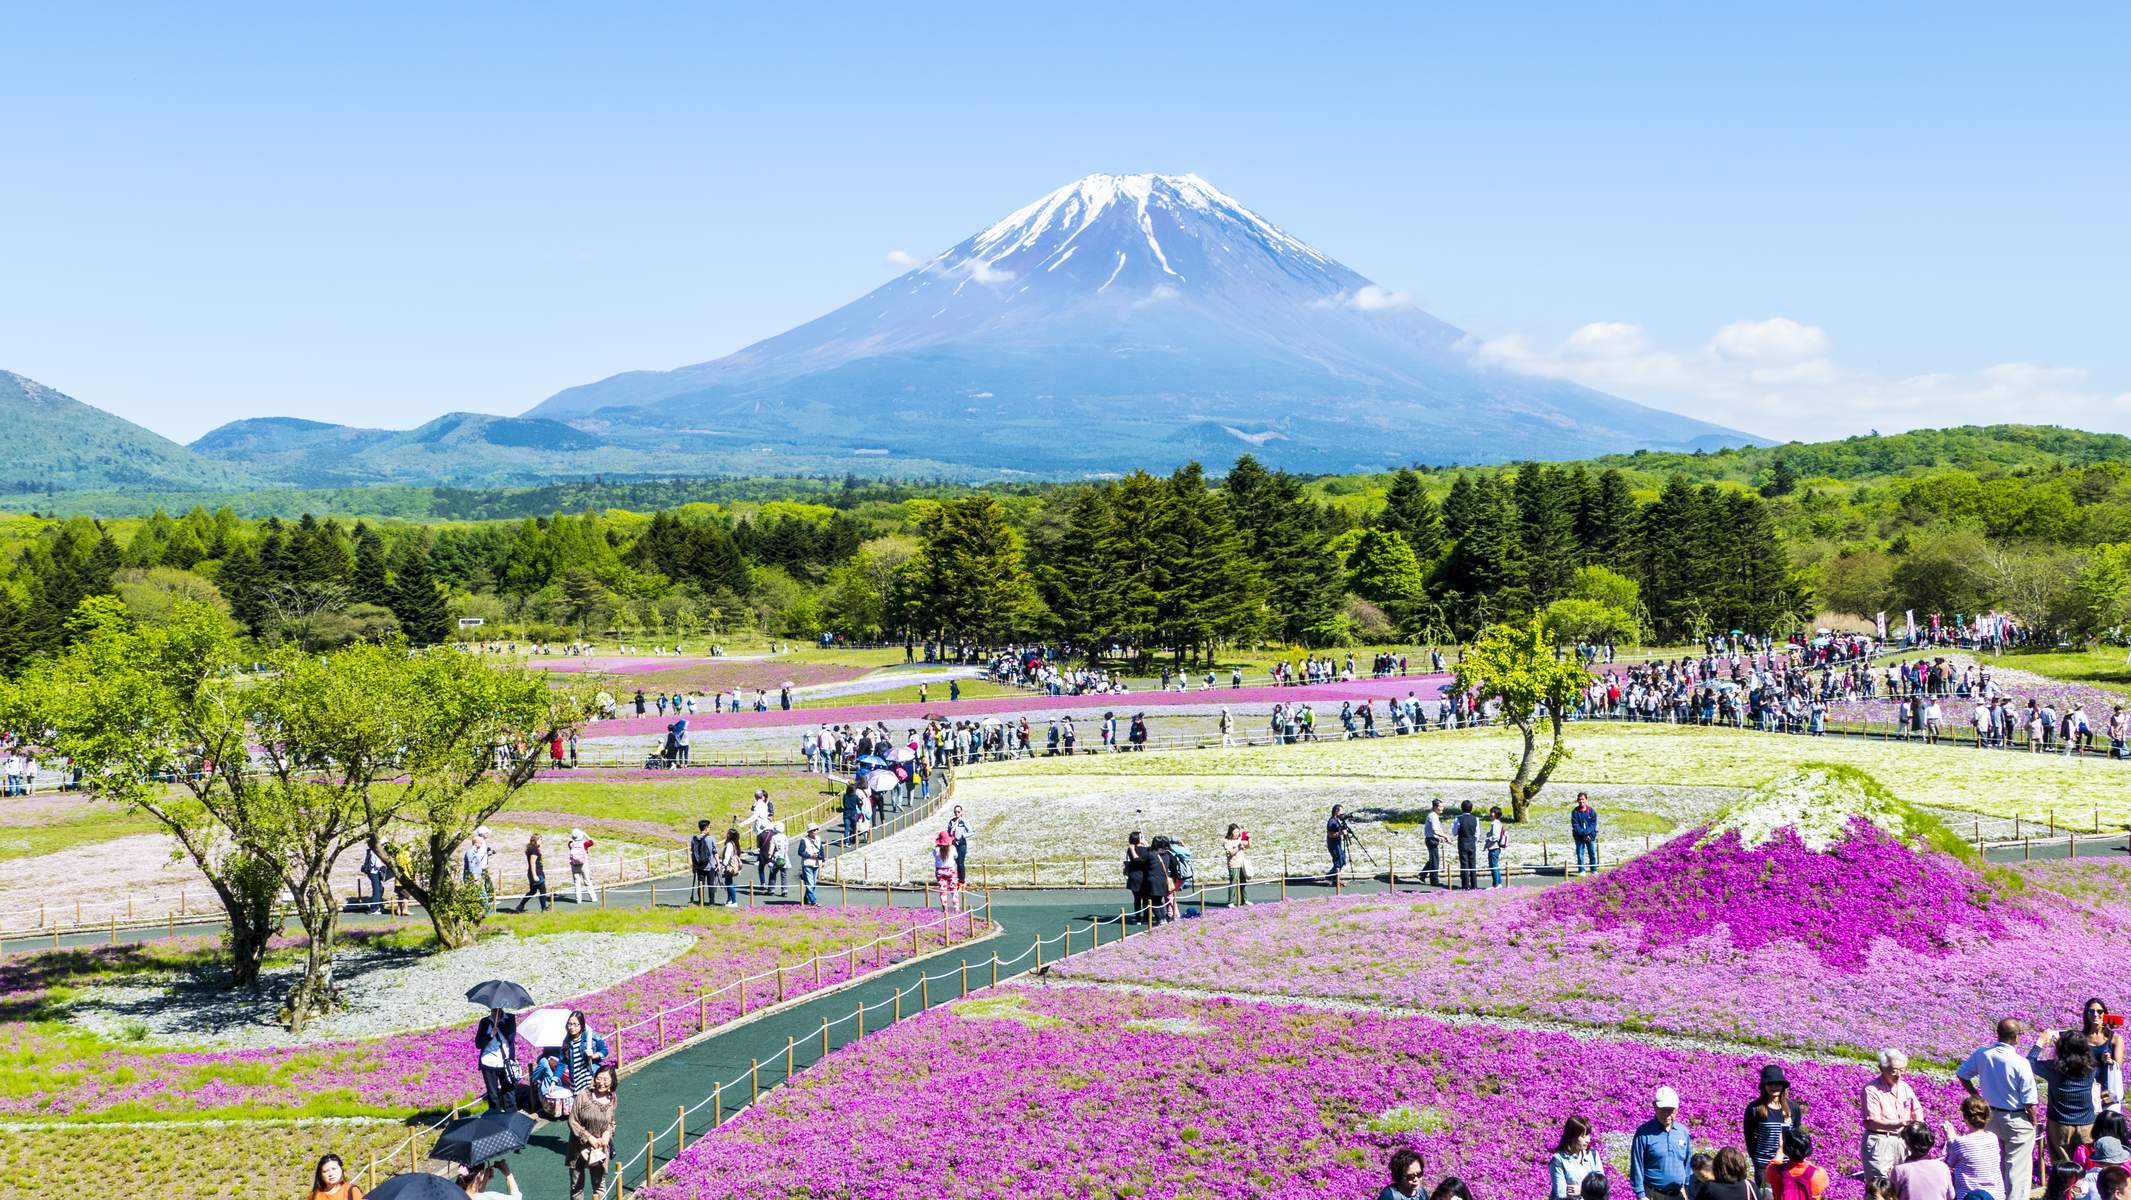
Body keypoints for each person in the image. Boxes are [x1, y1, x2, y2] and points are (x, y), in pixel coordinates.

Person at [1961, 1018, 2044, 1200]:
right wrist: (2033, 1123)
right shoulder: (2020, 1062)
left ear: (1997, 1033)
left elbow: (1962, 1074)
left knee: (1997, 1164)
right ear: (2016, 1037)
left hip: (1990, 1117)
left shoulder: (1983, 1054)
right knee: (2017, 1169)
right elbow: (2030, 1103)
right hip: (2016, 1119)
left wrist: (1977, 1097)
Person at [2032, 1029, 2103, 1166]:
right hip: (2087, 1124)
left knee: (2063, 1168)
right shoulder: (2091, 1067)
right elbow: (2076, 1056)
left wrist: (2041, 1041)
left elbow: (2029, 1062)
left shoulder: (2053, 1068)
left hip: (2060, 1124)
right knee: (2087, 1165)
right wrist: (2063, 1045)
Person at [1866, 1050, 1928, 1183]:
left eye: (1902, 1070)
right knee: (1880, 1186)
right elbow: (1872, 1122)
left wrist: (1917, 1126)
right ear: (1882, 1069)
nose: (1899, 1075)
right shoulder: (1871, 1090)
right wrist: (1899, 1124)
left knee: (1903, 1183)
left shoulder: (1905, 1087)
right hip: (1881, 1141)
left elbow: (1917, 1110)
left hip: (1903, 1141)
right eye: (1894, 1071)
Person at [1631, 1086, 1693, 1200]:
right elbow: (1637, 1165)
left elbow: (1687, 1163)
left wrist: (1688, 1188)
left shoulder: (1683, 1131)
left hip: (1678, 1194)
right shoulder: (1644, 1133)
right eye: (1663, 1110)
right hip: (1653, 1194)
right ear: (1655, 1107)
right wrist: (1641, 1195)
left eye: (1671, 1110)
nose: (1668, 1114)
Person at [1749, 1063, 1809, 1181]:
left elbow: (1795, 1136)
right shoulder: (1754, 1108)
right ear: (1764, 1086)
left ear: (1783, 1086)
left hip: (1787, 1164)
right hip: (1763, 1164)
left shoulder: (1793, 1108)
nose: (1774, 1087)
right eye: (1770, 1084)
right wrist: (1756, 1160)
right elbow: (1750, 1137)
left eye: (1778, 1084)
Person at [567, 1064, 618, 1200]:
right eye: (599, 1078)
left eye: (606, 1079)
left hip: (599, 1148)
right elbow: (572, 1121)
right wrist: (589, 1138)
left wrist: (607, 1134)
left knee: (599, 1184)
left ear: (612, 1081)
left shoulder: (612, 1099)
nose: (601, 1083)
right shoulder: (583, 1095)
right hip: (578, 1147)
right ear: (594, 1079)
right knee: (577, 1186)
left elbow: (611, 1122)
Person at [1945, 1096, 2008, 1199]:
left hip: (1969, 1197)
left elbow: (1949, 1164)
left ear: (1965, 1117)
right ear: (1987, 1117)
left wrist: (1950, 1139)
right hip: (1995, 1196)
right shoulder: (1993, 1138)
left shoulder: (1960, 1142)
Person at [1892, 1123, 1958, 1200]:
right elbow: (1951, 1196)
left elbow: (1892, 1196)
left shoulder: (1900, 1170)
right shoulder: (1942, 1167)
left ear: (1907, 1144)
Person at [2082, 1001, 2127, 1109]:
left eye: (2099, 1011)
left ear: (2105, 1013)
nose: (2095, 1014)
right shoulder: (2080, 1038)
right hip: (2087, 1095)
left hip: (2108, 1095)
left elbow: (2118, 1067)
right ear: (2086, 1014)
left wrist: (2110, 1061)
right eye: (2091, 1011)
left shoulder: (2115, 1039)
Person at [474, 1005, 518, 1112]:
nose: (494, 1012)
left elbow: (511, 1037)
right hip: (488, 1061)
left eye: (497, 1010)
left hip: (505, 1062)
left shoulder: (510, 1019)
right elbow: (478, 1044)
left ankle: (512, 1116)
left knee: (509, 1092)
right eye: (493, 1010)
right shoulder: (484, 1022)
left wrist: (499, 1024)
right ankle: (495, 1117)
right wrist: (490, 1035)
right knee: (492, 1094)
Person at [560, 1010, 609, 1101]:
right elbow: (562, 1062)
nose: (571, 1027)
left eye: (575, 1024)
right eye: (569, 1024)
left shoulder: (590, 1036)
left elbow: (604, 1050)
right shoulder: (566, 1041)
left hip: (590, 1078)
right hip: (576, 1081)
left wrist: (594, 1055)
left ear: (581, 1025)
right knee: (581, 1109)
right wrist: (554, 1081)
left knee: (593, 1106)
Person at [1766, 1130, 1830, 1200]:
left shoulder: (1775, 1171)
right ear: (1808, 1149)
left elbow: (1773, 1165)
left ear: (1786, 1150)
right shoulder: (1818, 1173)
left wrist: (1781, 1148)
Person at [1552, 1116, 1605, 1200]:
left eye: (1588, 1135)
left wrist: (1582, 1191)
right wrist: (1591, 1191)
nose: (1588, 1140)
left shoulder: (1593, 1155)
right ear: (1572, 1137)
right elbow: (1561, 1194)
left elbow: (1602, 1187)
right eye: (1583, 1136)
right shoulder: (1559, 1160)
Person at [514, 833, 550, 913]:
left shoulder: (533, 849)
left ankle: (520, 906)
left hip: (536, 872)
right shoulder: (534, 850)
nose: (541, 841)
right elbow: (532, 863)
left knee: (533, 891)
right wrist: (534, 875)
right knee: (542, 891)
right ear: (535, 840)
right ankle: (544, 909)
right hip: (537, 873)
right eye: (540, 839)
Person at [1223, 824, 1252, 907]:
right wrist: (1238, 847)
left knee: (1243, 882)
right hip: (1233, 864)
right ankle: (1231, 902)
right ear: (1230, 832)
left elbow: (1249, 845)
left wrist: (1250, 837)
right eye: (1235, 832)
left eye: (1238, 832)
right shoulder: (1227, 841)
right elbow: (1231, 853)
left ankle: (1245, 900)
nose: (1236, 833)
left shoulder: (1240, 839)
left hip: (1242, 864)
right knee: (1233, 882)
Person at [1454, 800, 1480, 891]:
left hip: (1462, 842)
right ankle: (1474, 885)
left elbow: (1454, 832)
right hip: (1472, 842)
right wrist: (1474, 841)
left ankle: (1465, 885)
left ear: (1462, 808)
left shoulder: (1458, 818)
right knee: (1472, 863)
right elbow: (1477, 834)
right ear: (1471, 808)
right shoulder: (1475, 819)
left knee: (1464, 864)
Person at [933, 830, 961, 912]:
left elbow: (935, 857)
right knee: (953, 889)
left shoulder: (936, 849)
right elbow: (956, 856)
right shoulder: (952, 848)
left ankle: (945, 908)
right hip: (950, 870)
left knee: (942, 890)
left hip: (940, 871)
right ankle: (956, 908)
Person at [1571, 792, 1600, 873]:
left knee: (1592, 853)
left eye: (1583, 799)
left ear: (1586, 800)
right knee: (1580, 854)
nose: (1581, 801)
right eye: (1579, 799)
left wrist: (1587, 833)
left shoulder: (1591, 811)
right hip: (1579, 837)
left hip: (1591, 836)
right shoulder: (1575, 812)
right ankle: (1582, 871)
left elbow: (1593, 824)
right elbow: (1575, 825)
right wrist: (1583, 834)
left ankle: (1594, 870)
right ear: (1577, 800)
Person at [567, 829, 598, 904]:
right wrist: (586, 835)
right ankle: (593, 898)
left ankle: (578, 900)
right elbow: (592, 841)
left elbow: (570, 841)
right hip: (584, 865)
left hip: (574, 865)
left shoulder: (571, 844)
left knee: (577, 883)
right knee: (587, 881)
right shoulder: (584, 844)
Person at [690, 820, 716, 905]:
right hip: (710, 865)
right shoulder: (711, 839)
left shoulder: (694, 839)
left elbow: (693, 853)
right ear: (705, 828)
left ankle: (701, 902)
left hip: (699, 865)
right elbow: (715, 852)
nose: (710, 828)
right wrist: (718, 864)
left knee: (700, 884)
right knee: (711, 884)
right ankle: (711, 902)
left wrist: (694, 865)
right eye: (709, 827)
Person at [797, 825, 825, 906]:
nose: (815, 831)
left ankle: (806, 898)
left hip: (816, 863)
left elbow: (821, 849)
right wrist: (810, 855)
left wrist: (823, 860)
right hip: (807, 863)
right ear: (809, 832)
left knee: (813, 883)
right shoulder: (804, 840)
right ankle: (813, 901)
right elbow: (800, 852)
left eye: (816, 829)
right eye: (814, 830)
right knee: (810, 883)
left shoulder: (818, 838)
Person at [1423, 799, 1445, 888]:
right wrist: (1445, 836)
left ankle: (1422, 874)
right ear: (1435, 807)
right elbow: (1435, 830)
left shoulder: (1434, 816)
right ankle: (1434, 880)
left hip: (1432, 839)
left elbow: (1438, 829)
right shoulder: (1433, 816)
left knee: (1433, 859)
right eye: (1440, 806)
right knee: (1435, 861)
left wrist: (1442, 836)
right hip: (1431, 839)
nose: (1442, 808)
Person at [1327, 805, 1352, 883]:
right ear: (1336, 811)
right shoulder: (1332, 822)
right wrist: (1341, 833)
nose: (1343, 813)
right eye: (1341, 811)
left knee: (1342, 859)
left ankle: (1333, 877)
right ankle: (1333, 878)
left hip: (1337, 844)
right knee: (1338, 861)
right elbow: (1330, 834)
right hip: (1333, 845)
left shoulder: (1337, 820)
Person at [1485, 805, 1509, 887]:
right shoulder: (1498, 823)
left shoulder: (1495, 823)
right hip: (1496, 847)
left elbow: (1496, 836)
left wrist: (1488, 839)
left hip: (1494, 847)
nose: (1490, 814)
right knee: (1495, 865)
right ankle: (1498, 883)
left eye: (1492, 812)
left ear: (1495, 814)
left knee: (1493, 866)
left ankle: (1496, 884)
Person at [718, 828, 743, 905]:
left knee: (729, 883)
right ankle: (729, 900)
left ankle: (734, 902)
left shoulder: (729, 844)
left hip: (729, 866)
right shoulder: (734, 843)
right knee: (729, 882)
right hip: (733, 865)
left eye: (728, 833)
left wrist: (723, 865)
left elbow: (727, 856)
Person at [948, 805, 972, 883]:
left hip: (961, 844)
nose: (957, 813)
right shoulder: (951, 821)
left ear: (961, 812)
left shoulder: (963, 821)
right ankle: (954, 878)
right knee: (954, 862)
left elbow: (971, 832)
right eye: (955, 812)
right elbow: (948, 831)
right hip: (953, 844)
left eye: (958, 812)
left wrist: (963, 836)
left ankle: (962, 880)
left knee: (960, 863)